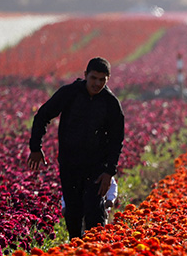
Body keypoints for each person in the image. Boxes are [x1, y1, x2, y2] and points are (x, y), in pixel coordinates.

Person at [28, 56, 125, 239]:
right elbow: (42, 116)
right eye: (93, 78)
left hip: (96, 168)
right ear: (85, 75)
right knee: (73, 214)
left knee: (95, 214)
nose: (97, 84)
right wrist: (35, 147)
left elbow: (116, 139)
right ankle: (76, 249)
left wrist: (109, 172)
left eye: (102, 80)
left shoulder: (111, 103)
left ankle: (96, 251)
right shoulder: (69, 93)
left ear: (108, 79)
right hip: (70, 164)